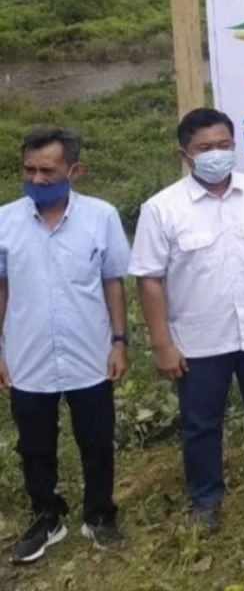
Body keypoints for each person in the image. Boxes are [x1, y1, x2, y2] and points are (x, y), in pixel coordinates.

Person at [128, 108, 244, 534]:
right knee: (200, 425)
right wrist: (162, 344)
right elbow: (149, 280)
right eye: (205, 148)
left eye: (224, 145)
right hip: (198, 341)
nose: (217, 154)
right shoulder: (162, 209)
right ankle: (206, 501)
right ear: (185, 154)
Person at [0, 128, 130, 563]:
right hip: (27, 355)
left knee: (96, 439)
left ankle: (99, 516)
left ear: (75, 171)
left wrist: (120, 341)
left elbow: (112, 281)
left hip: (89, 353)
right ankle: (46, 518)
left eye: (47, 171)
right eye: (29, 169)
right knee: (35, 444)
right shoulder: (5, 221)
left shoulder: (102, 217)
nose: (36, 179)